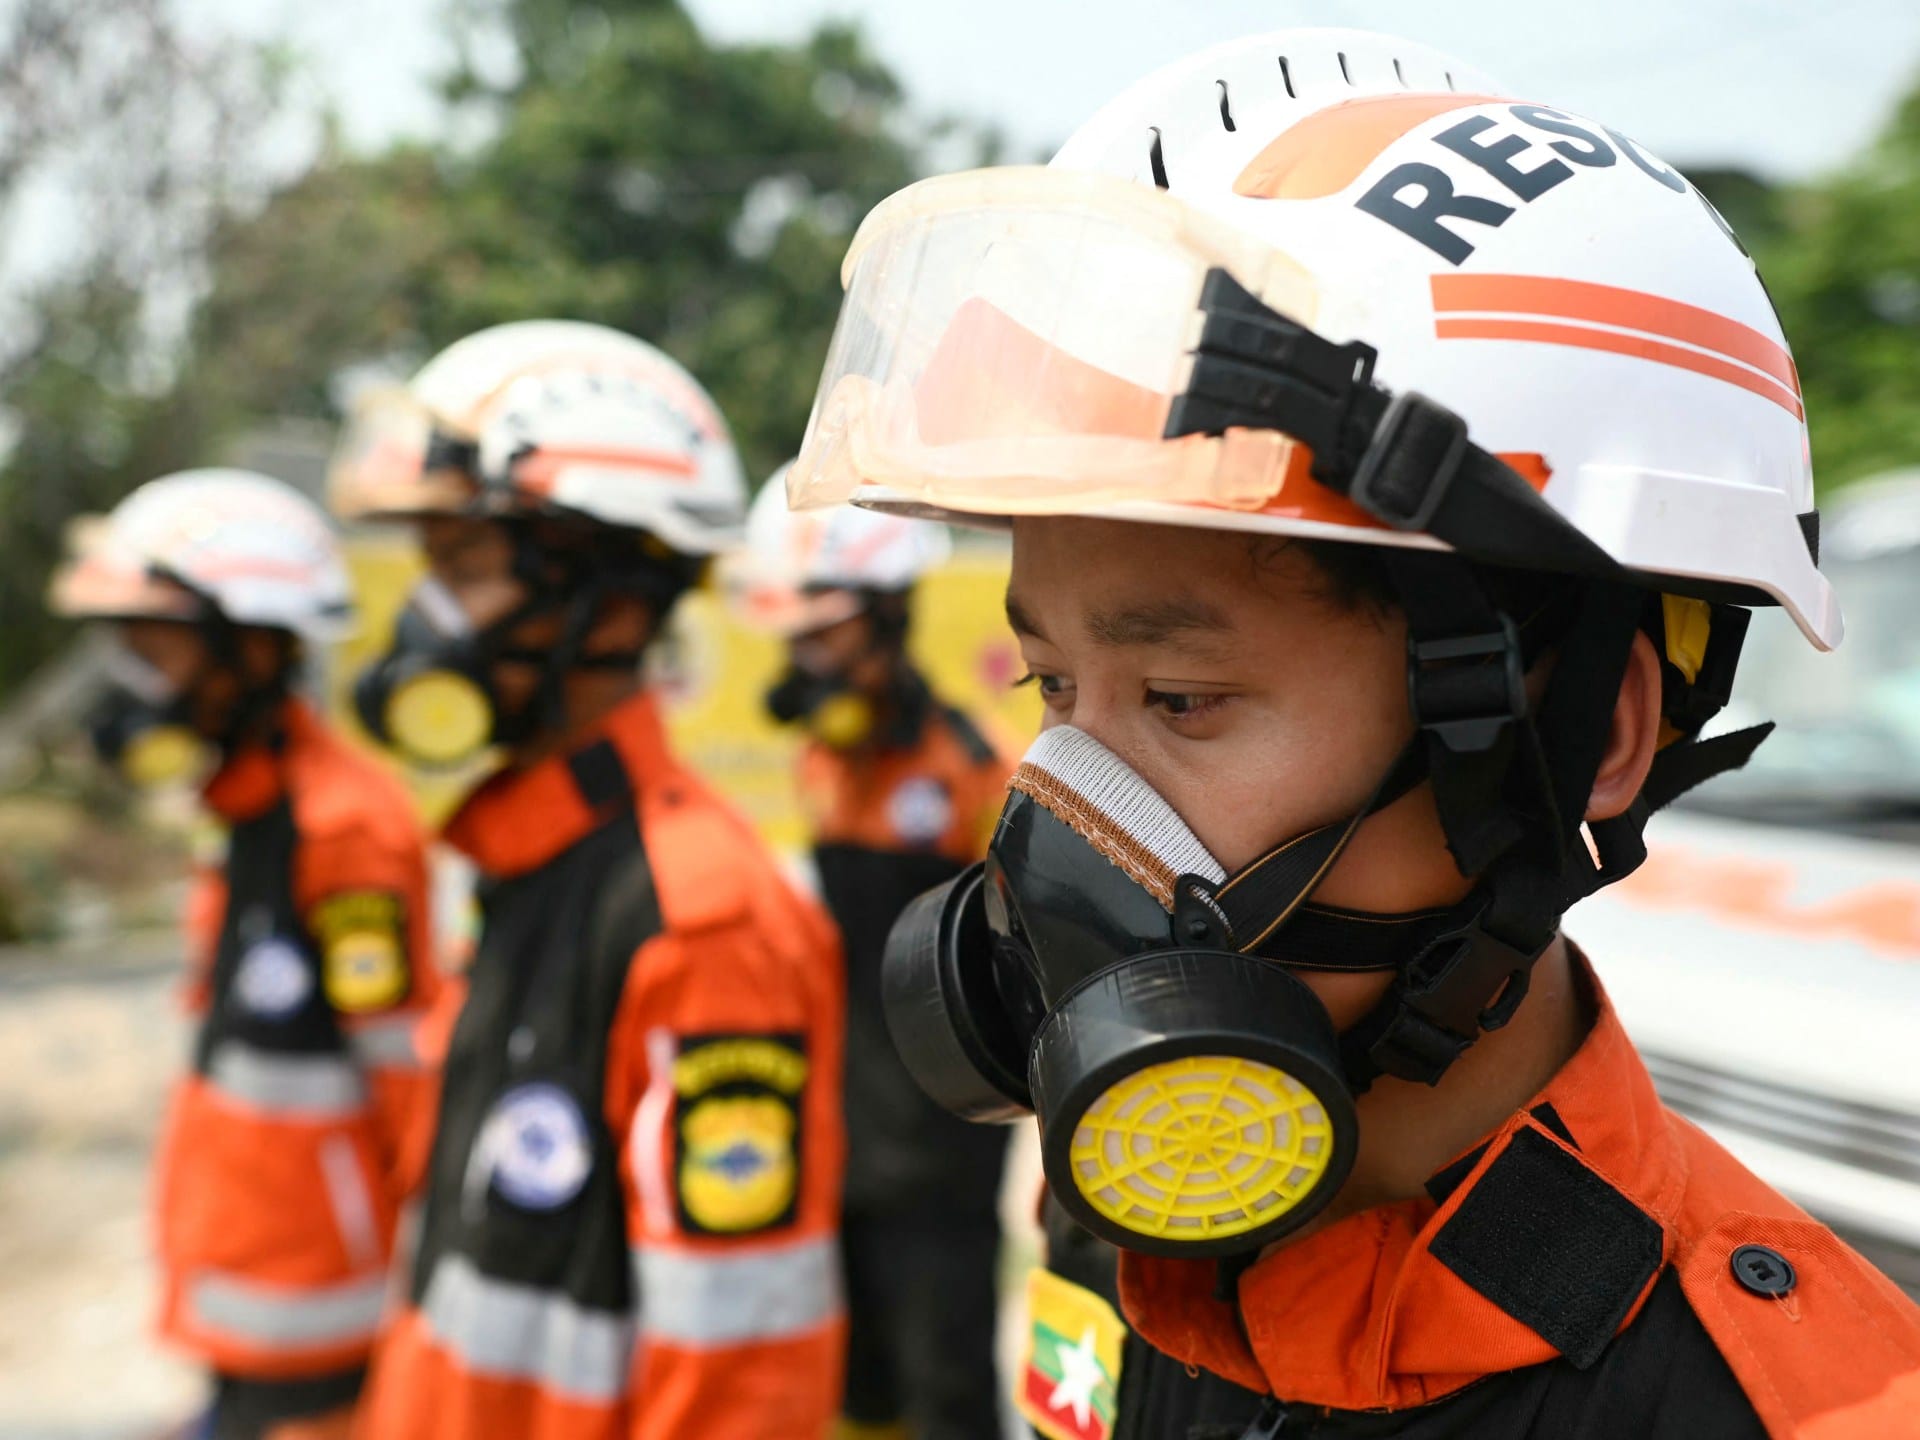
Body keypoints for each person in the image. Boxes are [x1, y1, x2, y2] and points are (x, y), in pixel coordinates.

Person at [785, 28, 1920, 1440]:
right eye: (1053, 688)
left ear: (1582, 744)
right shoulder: (1137, 1221)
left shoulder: (1804, 1412)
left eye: (1182, 699)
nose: (1061, 807)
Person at [339, 322, 848, 1440]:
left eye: (462, 571)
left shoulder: (701, 919)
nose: (426, 621)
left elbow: (740, 1375)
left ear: (613, 607)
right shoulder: (527, 861)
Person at [49, 470, 439, 1440]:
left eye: (156, 649)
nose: (136, 683)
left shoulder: (344, 828)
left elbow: (409, 1086)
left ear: (253, 647)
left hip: (320, 1316)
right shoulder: (243, 806)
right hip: (244, 1290)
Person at [731, 476, 1016, 1440]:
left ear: (890, 612)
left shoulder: (972, 766)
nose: (805, 659)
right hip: (838, 1134)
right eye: (794, 638)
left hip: (941, 1151)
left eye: (825, 632)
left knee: (946, 1389)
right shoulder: (820, 760)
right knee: (853, 1385)